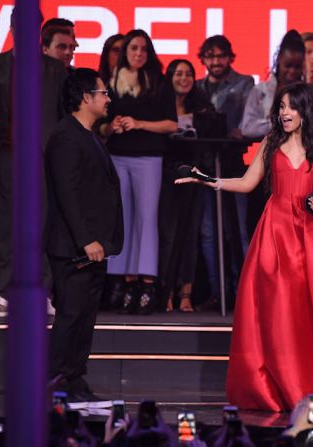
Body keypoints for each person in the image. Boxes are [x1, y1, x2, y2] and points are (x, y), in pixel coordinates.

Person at [176, 82, 313, 411]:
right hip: (277, 233)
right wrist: (206, 179)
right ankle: (286, 387)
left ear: (306, 109)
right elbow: (246, 182)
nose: (284, 112)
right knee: (282, 313)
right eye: (281, 106)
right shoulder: (272, 141)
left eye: (290, 106)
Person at [0, 7, 65, 315]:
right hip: (3, 156)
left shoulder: (56, 70)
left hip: (42, 158)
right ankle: (6, 288)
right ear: (13, 28)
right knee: (4, 223)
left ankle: (41, 290)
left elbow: (65, 116)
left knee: (41, 224)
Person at [45, 68, 123, 403]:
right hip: (75, 247)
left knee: (85, 317)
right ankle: (56, 381)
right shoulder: (66, 136)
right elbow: (67, 193)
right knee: (71, 315)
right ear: (85, 97)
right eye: (103, 93)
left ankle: (75, 380)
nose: (108, 99)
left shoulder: (88, 135)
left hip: (94, 247)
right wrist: (85, 240)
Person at [101, 29, 177, 314]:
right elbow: (101, 124)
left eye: (144, 49)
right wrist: (112, 127)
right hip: (118, 157)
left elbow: (172, 124)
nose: (139, 54)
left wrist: (139, 123)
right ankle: (124, 280)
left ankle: (147, 282)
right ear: (125, 52)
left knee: (146, 220)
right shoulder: (112, 83)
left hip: (148, 158)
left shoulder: (159, 83)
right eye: (133, 48)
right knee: (123, 220)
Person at [194, 35, 254, 308]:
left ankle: (243, 292)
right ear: (203, 59)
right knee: (208, 231)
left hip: (233, 164)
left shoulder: (245, 84)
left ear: (231, 57)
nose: (216, 61)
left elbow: (245, 121)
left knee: (238, 231)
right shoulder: (195, 88)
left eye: (221, 56)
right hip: (204, 165)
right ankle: (219, 294)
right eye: (210, 56)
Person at [158, 59, 213, 312]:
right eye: (178, 73)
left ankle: (186, 293)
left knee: (191, 235)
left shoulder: (203, 109)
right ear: (169, 77)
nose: (184, 78)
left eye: (189, 74)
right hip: (165, 176)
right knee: (167, 236)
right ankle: (165, 291)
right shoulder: (159, 108)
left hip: (195, 176)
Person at [241, 30, 305, 138]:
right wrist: (283, 123)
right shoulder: (260, 91)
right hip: (268, 152)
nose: (292, 71)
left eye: (297, 67)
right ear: (279, 59)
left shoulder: (312, 94)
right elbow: (247, 128)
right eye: (288, 66)